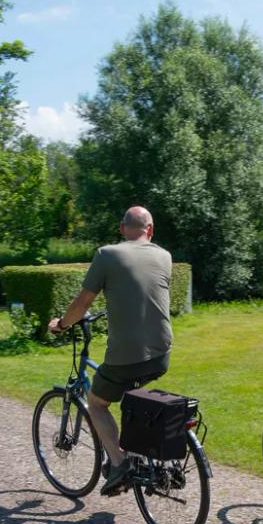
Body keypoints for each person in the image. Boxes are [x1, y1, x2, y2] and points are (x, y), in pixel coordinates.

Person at [49, 206, 172, 496]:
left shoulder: (107, 255)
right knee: (133, 395)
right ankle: (138, 455)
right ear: (151, 230)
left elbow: (82, 303)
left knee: (96, 402)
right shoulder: (165, 256)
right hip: (161, 354)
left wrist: (62, 324)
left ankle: (119, 464)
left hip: (127, 357)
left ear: (121, 228)